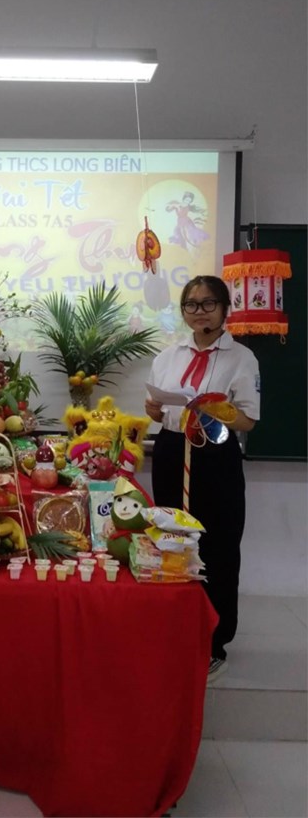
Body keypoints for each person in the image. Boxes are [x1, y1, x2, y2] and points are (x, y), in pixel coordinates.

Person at [145, 275, 260, 682]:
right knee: (171, 539)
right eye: (191, 305)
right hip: (171, 450)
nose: (199, 312)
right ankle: (174, 630)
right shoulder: (168, 356)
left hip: (215, 454)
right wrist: (154, 410)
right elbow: (157, 408)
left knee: (218, 546)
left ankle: (215, 641)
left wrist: (219, 411)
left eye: (208, 303)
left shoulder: (241, 358)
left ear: (225, 308)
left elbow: (248, 419)